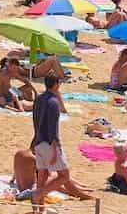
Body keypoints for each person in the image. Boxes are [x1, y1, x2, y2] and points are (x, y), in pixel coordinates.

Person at [31, 74, 86, 208]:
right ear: (56, 84)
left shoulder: (38, 98)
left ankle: (38, 205)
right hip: (49, 142)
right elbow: (53, 126)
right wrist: (55, 146)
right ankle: (39, 195)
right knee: (64, 175)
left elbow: (35, 120)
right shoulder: (53, 102)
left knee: (42, 175)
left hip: (38, 140)